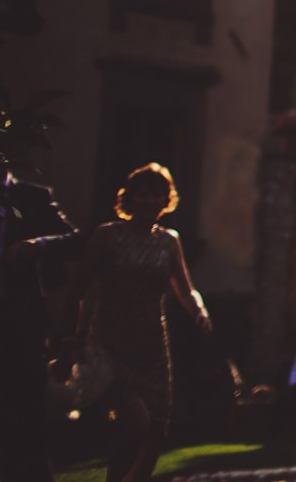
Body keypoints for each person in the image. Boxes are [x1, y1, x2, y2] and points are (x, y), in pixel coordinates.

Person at [64, 163, 210, 482]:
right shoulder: (107, 236)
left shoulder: (170, 241)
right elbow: (79, 288)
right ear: (130, 200)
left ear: (166, 200)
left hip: (152, 346)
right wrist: (73, 338)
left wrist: (199, 311)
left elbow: (186, 289)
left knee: (157, 429)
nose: (149, 200)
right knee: (137, 422)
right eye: (142, 194)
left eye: (156, 193)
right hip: (110, 344)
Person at [0, 169, 81, 482]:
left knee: (25, 422)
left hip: (18, 325)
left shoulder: (32, 197)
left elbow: (77, 241)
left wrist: (39, 245)